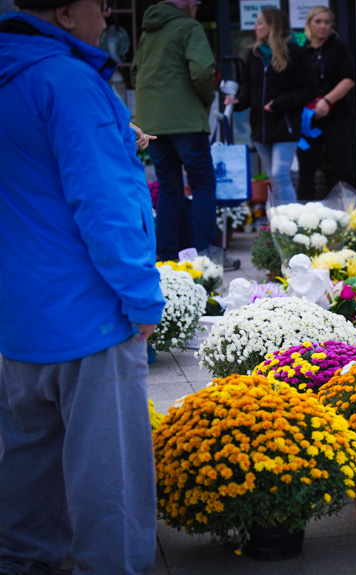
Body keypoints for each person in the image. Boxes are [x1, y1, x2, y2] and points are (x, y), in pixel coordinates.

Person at [0, 0, 165, 572]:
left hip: (19, 318)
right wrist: (142, 297)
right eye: (100, 4)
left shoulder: (14, 72)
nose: (109, 13)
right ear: (67, 14)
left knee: (26, 486)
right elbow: (106, 204)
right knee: (109, 494)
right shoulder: (67, 81)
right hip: (90, 317)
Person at [131, 0, 220, 262]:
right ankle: (207, 258)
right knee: (203, 184)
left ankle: (167, 257)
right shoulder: (189, 27)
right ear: (188, 5)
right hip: (186, 120)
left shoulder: (149, 31)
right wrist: (205, 101)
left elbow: (136, 71)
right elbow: (203, 71)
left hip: (153, 122)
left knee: (169, 188)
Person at [226, 7, 316, 205]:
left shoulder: (294, 53)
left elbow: (309, 89)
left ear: (272, 27)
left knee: (279, 176)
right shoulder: (255, 55)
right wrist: (238, 101)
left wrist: (280, 103)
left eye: (260, 23)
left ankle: (290, 226)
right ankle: (279, 228)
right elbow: (248, 88)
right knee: (274, 180)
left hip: (285, 125)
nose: (255, 27)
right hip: (260, 128)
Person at [296, 5, 356, 201]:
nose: (323, 26)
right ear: (309, 24)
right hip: (309, 118)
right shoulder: (302, 51)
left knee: (340, 166)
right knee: (306, 169)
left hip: (336, 114)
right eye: (318, 22)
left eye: (326, 22)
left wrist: (326, 101)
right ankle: (302, 217)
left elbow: (349, 79)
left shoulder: (338, 47)